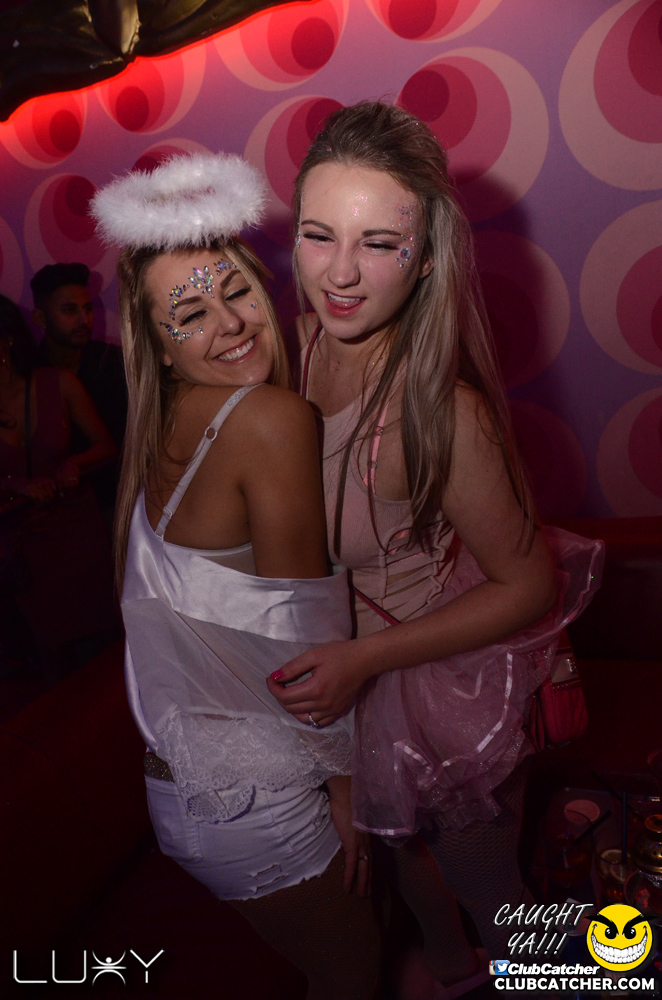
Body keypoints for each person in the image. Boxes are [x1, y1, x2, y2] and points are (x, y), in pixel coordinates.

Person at [267, 102, 604, 975]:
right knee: (394, 857)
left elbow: (530, 585)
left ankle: (580, 980)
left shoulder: (444, 413)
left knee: (495, 895)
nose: (341, 273)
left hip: (432, 682)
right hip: (341, 679)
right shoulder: (287, 356)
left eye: (379, 243)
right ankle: (452, 974)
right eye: (318, 235)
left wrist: (365, 660)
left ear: (423, 260)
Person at [91, 152, 380, 1000]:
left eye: (237, 292)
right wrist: (349, 788)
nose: (230, 323)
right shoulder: (267, 418)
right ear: (159, 348)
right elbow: (304, 637)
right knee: (357, 976)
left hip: (189, 793)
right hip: (258, 799)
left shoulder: (162, 428)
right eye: (190, 312)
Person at [0, 292, 117, 666]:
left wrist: (74, 464)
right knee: (46, 661)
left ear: (7, 339)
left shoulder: (58, 383)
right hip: (22, 545)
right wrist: (14, 483)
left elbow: (106, 446)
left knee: (103, 651)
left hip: (77, 533)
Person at [31, 261, 127, 513]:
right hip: (55, 511)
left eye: (88, 308)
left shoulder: (114, 362)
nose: (84, 319)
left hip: (123, 496)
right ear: (40, 318)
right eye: (69, 310)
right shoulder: (30, 375)